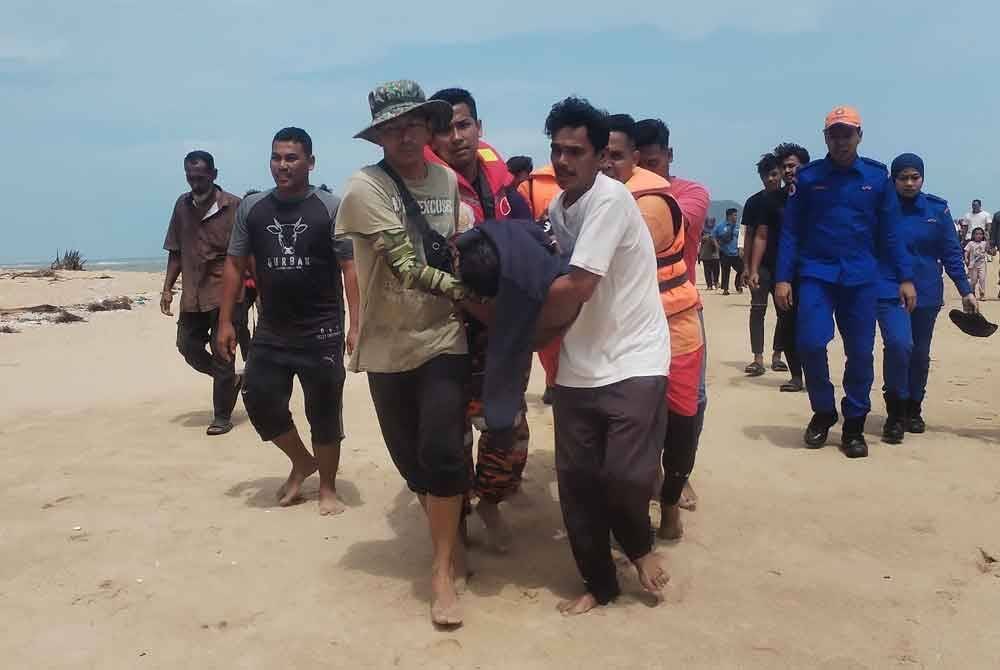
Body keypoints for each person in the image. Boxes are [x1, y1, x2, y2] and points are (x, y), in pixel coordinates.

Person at [335, 80, 472, 627]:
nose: (405, 135)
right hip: (388, 344)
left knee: (442, 448)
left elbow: (451, 246)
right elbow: (405, 267)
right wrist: (477, 297)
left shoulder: (446, 179)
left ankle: (441, 569)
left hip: (442, 336)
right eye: (392, 128)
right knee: (412, 461)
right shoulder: (364, 188)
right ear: (379, 137)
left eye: (413, 124)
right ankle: (447, 542)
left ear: (427, 127)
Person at [541, 97, 670, 615]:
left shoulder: (611, 200)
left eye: (576, 151)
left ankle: (638, 546)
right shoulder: (557, 207)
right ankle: (601, 582)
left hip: (634, 358)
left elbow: (579, 283)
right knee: (575, 486)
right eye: (557, 150)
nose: (564, 161)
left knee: (623, 477)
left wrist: (506, 312)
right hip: (578, 363)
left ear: (600, 156)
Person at [216, 128, 359, 518]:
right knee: (258, 398)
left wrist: (356, 324)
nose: (283, 165)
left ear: (310, 163)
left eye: (292, 158)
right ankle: (302, 460)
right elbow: (233, 264)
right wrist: (225, 321)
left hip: (322, 329)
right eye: (277, 157)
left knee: (324, 411)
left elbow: (349, 266)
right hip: (272, 330)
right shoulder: (253, 209)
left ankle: (328, 488)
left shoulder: (330, 207)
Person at [426, 86, 533, 552]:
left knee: (506, 428)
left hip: (501, 327)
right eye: (445, 129)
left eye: (463, 125)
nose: (456, 137)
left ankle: (490, 498)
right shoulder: (424, 188)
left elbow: (532, 243)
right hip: (444, 328)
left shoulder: (506, 187)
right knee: (449, 432)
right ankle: (459, 514)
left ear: (479, 129)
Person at [775, 106, 915, 458]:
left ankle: (854, 423)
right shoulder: (807, 179)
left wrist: (905, 277)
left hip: (861, 278)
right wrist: (782, 278)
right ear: (826, 138)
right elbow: (791, 231)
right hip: (817, 275)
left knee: (860, 353)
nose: (841, 141)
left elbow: (891, 233)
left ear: (859, 136)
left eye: (847, 134)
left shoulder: (877, 178)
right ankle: (823, 411)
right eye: (834, 134)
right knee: (809, 343)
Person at [602, 114, 705, 541]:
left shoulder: (659, 200)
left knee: (683, 418)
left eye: (617, 156)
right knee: (631, 425)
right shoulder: (585, 197)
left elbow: (623, 251)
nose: (608, 163)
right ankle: (635, 512)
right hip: (621, 331)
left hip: (675, 324)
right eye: (601, 155)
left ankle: (670, 496)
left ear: (638, 159)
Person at [633, 118, 710, 511]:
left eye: (654, 161)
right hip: (633, 317)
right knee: (642, 404)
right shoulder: (622, 192)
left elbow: (665, 221)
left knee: (690, 403)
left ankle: (681, 474)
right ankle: (658, 475)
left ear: (669, 156)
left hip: (679, 311)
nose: (647, 171)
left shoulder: (689, 194)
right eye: (639, 163)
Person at [877, 153, 977, 443]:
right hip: (890, 289)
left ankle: (913, 408)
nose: (909, 183)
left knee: (919, 353)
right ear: (893, 180)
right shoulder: (882, 209)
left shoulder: (937, 209)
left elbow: (951, 253)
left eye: (914, 177)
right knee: (898, 346)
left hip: (927, 293)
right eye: (903, 178)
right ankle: (895, 411)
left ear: (922, 178)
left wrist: (965, 290)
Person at [161, 151, 244, 436]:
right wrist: (167, 289)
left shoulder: (234, 206)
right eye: (190, 176)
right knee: (186, 346)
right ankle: (230, 380)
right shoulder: (181, 206)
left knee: (224, 353)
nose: (195, 182)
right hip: (193, 294)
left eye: (200, 176)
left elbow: (249, 254)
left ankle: (222, 416)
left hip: (227, 294)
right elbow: (175, 250)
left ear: (214, 175)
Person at [747, 142, 810, 392]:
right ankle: (796, 375)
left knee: (811, 323)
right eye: (784, 167)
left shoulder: (819, 194)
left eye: (792, 166)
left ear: (806, 166)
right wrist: (752, 269)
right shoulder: (772, 200)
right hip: (780, 271)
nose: (788, 171)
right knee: (787, 321)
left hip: (814, 271)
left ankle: (815, 371)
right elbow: (760, 236)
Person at [742, 153, 786, 377]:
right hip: (761, 267)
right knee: (757, 310)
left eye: (773, 174)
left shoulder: (790, 199)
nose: (770, 179)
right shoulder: (754, 202)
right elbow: (749, 235)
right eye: (765, 175)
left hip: (784, 267)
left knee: (783, 312)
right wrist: (748, 268)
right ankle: (757, 358)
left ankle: (778, 356)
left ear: (781, 174)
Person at [714, 208, 743, 295]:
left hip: (736, 253)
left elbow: (741, 238)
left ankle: (738, 285)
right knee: (725, 271)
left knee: (741, 269)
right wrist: (717, 247)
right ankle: (725, 289)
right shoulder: (720, 226)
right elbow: (713, 236)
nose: (736, 216)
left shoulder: (738, 226)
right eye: (734, 215)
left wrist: (742, 249)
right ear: (729, 216)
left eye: (736, 215)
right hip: (725, 253)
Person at [966, 227, 990, 300]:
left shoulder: (984, 243)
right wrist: (966, 258)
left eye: (980, 234)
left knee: (982, 279)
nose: (979, 236)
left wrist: (987, 239)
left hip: (982, 265)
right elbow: (966, 251)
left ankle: (982, 294)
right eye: (976, 234)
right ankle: (972, 292)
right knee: (973, 280)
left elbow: (988, 249)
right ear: (973, 235)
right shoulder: (971, 243)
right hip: (973, 266)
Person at [700, 219, 720, 289]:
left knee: (716, 270)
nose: (711, 223)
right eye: (709, 221)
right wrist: (706, 237)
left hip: (715, 254)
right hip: (706, 254)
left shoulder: (717, 229)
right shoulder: (702, 230)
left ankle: (716, 282)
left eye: (712, 221)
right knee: (707, 271)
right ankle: (709, 285)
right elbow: (699, 239)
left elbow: (720, 238)